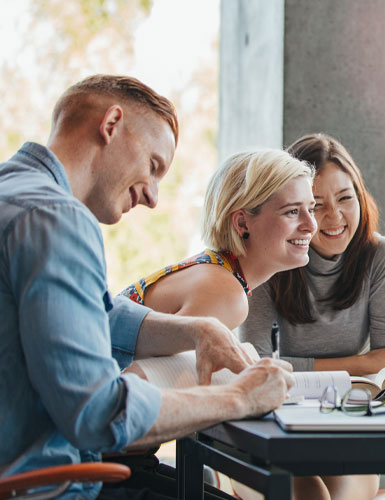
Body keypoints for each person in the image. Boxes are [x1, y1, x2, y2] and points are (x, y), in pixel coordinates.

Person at [0, 75, 294, 500]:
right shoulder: (55, 218)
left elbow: (100, 314)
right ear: (111, 124)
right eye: (153, 166)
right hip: (45, 488)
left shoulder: (15, 195)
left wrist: (197, 330)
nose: (153, 197)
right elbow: (100, 414)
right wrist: (240, 398)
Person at [240, 133, 385, 500]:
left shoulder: (381, 256)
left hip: (346, 427)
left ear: (360, 196)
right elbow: (255, 368)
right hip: (272, 428)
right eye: (316, 205)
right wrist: (358, 363)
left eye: (346, 198)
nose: (334, 217)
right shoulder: (267, 258)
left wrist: (368, 367)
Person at [119, 148, 317, 331]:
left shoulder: (218, 272)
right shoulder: (225, 295)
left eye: (311, 209)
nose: (311, 225)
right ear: (242, 223)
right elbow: (141, 369)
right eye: (292, 211)